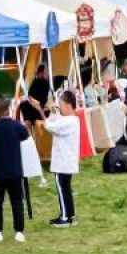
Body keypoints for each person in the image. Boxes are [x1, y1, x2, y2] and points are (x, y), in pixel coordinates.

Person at [0, 97, 28, 243]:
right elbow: (25, 136)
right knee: (17, 201)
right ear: (9, 109)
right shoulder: (17, 126)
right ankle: (19, 231)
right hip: (15, 169)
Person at [45, 90, 81, 228]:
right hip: (67, 161)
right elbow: (54, 121)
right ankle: (69, 215)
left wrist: (40, 111)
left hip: (63, 162)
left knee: (62, 189)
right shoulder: (73, 120)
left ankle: (65, 217)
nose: (59, 108)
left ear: (67, 105)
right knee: (66, 188)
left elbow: (49, 126)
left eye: (60, 105)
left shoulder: (68, 121)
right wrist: (53, 111)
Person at [19, 63, 51, 133]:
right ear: (42, 72)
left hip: (28, 105)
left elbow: (30, 94)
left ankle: (30, 137)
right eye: (46, 72)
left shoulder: (35, 81)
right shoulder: (44, 83)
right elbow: (42, 100)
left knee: (28, 122)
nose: (47, 74)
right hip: (36, 108)